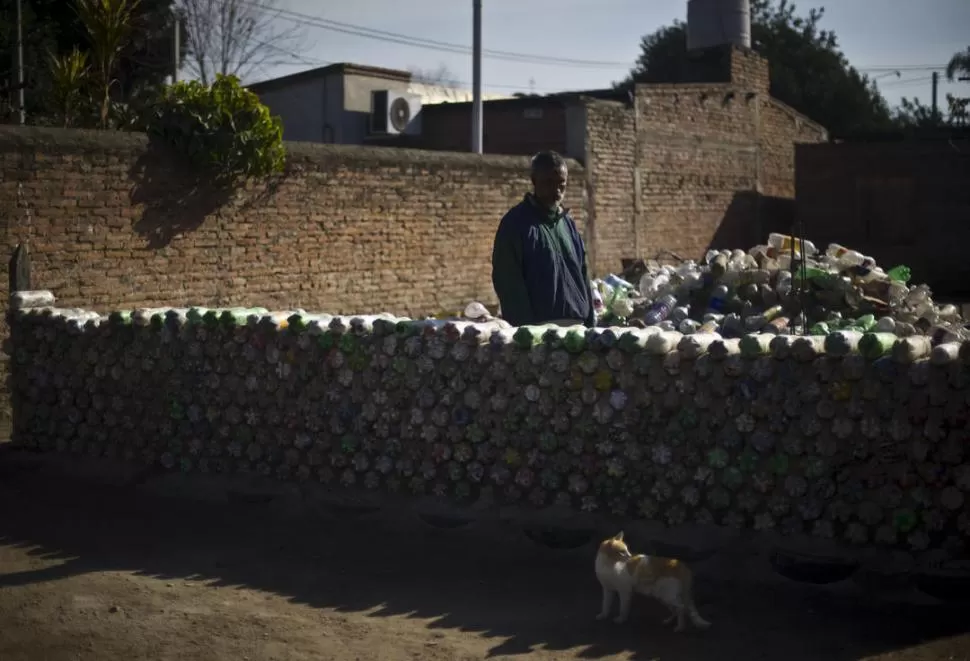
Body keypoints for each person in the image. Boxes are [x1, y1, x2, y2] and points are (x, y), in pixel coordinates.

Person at [491, 150, 596, 328]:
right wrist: (526, 331)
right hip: (540, 332)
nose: (556, 191)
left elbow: (583, 273)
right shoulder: (516, 224)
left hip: (577, 325)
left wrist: (590, 320)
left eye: (561, 185)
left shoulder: (567, 224)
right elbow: (508, 282)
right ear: (534, 181)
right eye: (548, 183)